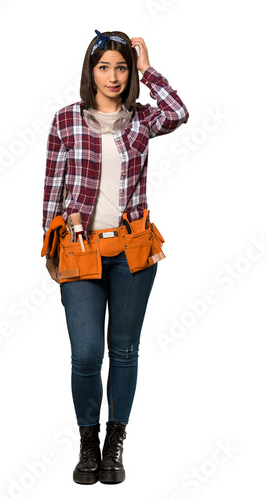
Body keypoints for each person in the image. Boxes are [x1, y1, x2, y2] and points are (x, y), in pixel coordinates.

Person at [41, 29, 189, 485]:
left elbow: (179, 113)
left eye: (121, 67)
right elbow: (52, 189)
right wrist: (48, 246)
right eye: (104, 66)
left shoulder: (142, 120)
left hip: (131, 250)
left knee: (123, 351)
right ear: (90, 71)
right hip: (80, 250)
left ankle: (114, 443)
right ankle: (87, 442)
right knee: (85, 354)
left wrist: (149, 68)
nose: (113, 76)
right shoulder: (66, 120)